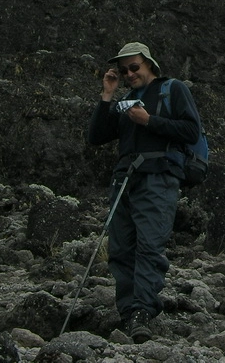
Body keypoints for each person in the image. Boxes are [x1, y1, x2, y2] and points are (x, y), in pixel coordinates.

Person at [87, 42, 203, 343]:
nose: (128, 73)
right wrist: (108, 95)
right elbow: (96, 137)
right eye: (123, 70)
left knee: (149, 247)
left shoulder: (173, 89)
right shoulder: (126, 99)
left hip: (158, 179)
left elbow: (191, 131)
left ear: (149, 64)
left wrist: (149, 121)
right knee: (121, 250)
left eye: (134, 67)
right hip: (124, 180)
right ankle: (128, 314)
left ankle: (142, 312)